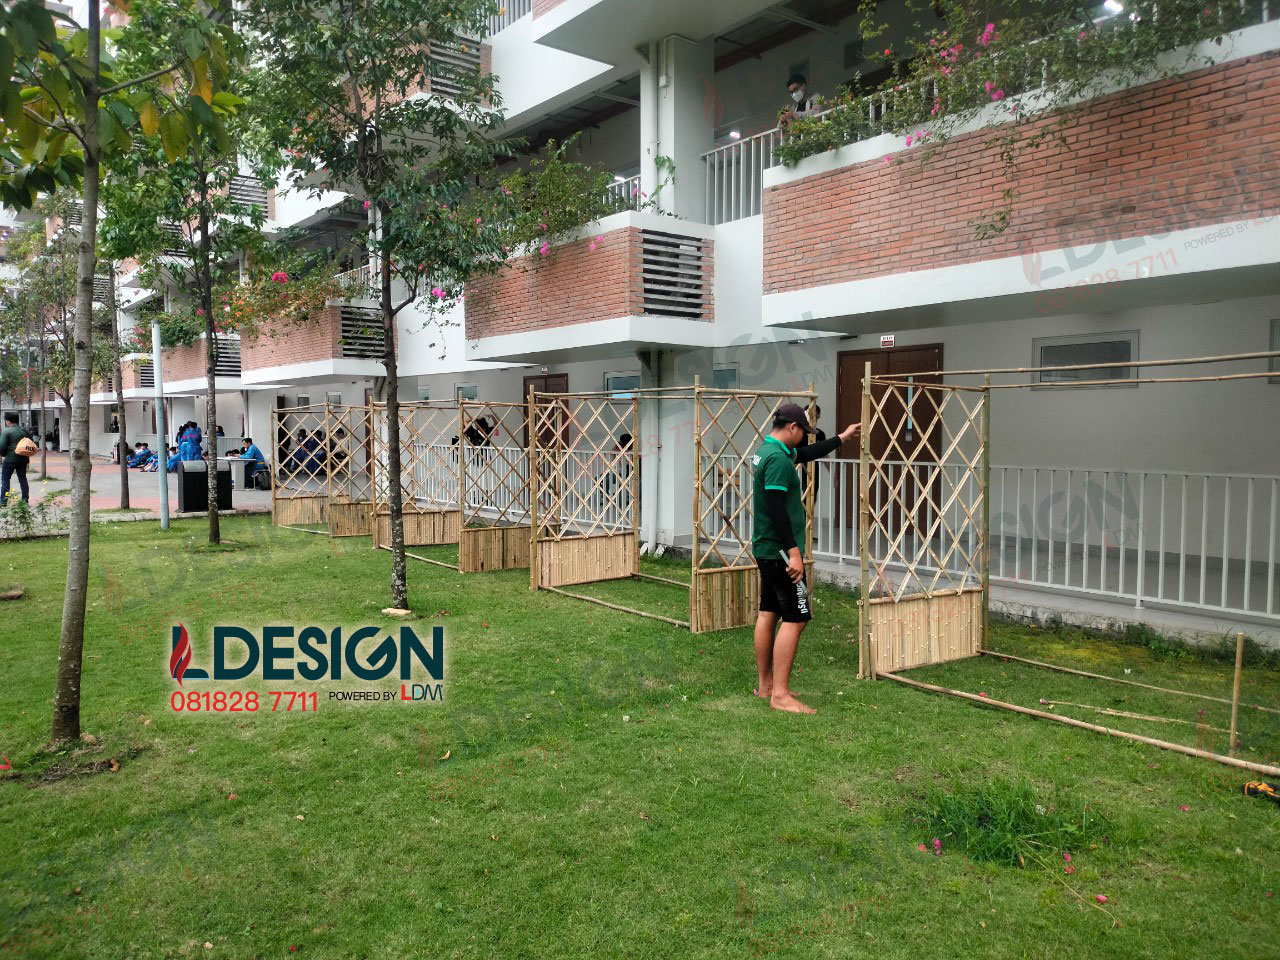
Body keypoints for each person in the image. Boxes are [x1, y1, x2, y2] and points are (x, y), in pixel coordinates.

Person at [752, 403, 860, 714]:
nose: (804, 439)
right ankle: (780, 696)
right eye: (804, 432)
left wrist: (842, 438)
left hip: (767, 548)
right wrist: (794, 552)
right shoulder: (777, 459)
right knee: (796, 618)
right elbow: (776, 509)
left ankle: (767, 685)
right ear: (792, 428)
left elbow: (807, 454)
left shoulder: (770, 450)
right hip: (780, 551)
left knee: (768, 612)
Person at [0, 412, 33, 505]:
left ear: (8, 421)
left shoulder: (7, 431)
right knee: (23, 479)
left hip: (10, 459)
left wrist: (3, 454)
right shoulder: (25, 431)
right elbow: (31, 443)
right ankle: (25, 500)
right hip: (23, 459)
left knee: (5, 479)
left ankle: (3, 501)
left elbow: (2, 446)